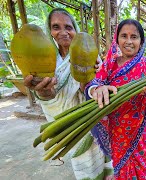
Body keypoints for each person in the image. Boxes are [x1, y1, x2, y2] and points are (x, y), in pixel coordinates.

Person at [23, 8, 111, 180]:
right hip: (64, 123)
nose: (63, 32)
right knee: (81, 162)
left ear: (75, 30)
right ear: (50, 32)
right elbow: (47, 93)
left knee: (99, 156)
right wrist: (43, 90)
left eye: (68, 27)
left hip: (86, 118)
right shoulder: (45, 60)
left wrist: (91, 79)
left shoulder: (89, 55)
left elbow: (94, 83)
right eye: (56, 27)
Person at [85, 19, 146, 180]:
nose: (128, 41)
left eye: (134, 37)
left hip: (142, 130)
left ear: (141, 41)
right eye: (124, 36)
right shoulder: (109, 64)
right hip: (118, 130)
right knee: (120, 168)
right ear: (117, 40)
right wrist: (97, 89)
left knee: (143, 169)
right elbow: (94, 84)